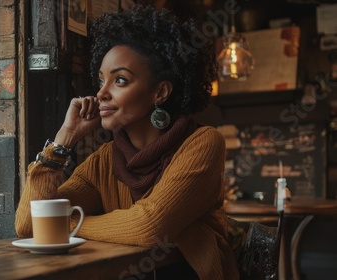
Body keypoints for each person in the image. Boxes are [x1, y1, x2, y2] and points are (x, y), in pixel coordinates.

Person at [15, 4, 239, 280]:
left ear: (160, 92)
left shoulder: (203, 143)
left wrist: (64, 224)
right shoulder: (105, 160)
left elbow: (149, 226)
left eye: (119, 80)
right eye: (100, 81)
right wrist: (65, 138)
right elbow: (28, 224)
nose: (101, 94)